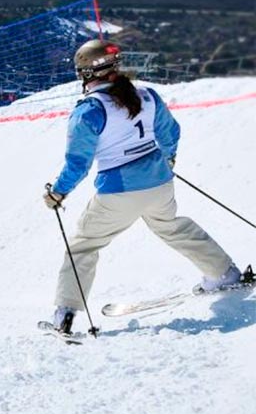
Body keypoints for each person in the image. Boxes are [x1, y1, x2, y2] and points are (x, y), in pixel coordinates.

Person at [44, 39, 242, 334]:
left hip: (119, 192)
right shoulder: (147, 95)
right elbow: (170, 132)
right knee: (172, 226)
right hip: (160, 183)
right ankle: (223, 274)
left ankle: (66, 315)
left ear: (85, 73)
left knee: (84, 246)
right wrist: (168, 158)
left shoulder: (89, 110)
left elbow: (78, 163)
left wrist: (57, 192)